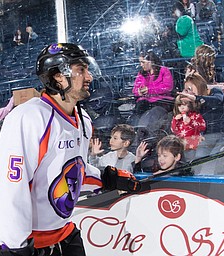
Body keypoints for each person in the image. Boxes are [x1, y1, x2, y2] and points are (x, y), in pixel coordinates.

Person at [0, 43, 140, 256]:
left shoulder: (82, 119)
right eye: (81, 70)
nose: (89, 77)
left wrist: (106, 178)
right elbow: (12, 187)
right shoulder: (29, 117)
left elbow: (71, 171)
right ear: (58, 76)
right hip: (32, 244)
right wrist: (14, 246)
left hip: (65, 235)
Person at [178, 72, 224, 157]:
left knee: (215, 156)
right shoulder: (194, 103)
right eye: (187, 90)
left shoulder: (215, 92)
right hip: (207, 137)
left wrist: (197, 98)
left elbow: (217, 101)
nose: (189, 91)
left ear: (198, 84)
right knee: (199, 156)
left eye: (190, 88)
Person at [171, 94, 206, 161]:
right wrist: (175, 120)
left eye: (184, 105)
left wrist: (191, 122)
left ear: (190, 105)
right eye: (179, 105)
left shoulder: (195, 116)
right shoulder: (177, 117)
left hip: (193, 143)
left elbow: (202, 126)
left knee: (192, 159)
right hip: (182, 144)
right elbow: (174, 130)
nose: (182, 107)